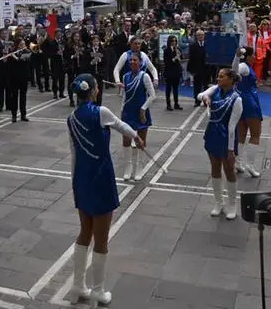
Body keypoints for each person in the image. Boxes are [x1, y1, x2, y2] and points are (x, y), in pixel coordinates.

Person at [66, 73, 144, 305]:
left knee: (84, 232)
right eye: (97, 87)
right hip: (101, 178)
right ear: (93, 90)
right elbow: (122, 127)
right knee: (101, 238)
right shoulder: (101, 112)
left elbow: (73, 154)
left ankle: (77, 287)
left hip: (81, 178)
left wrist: (75, 185)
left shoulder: (71, 118)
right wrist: (137, 137)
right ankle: (98, 291)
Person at [197, 68, 243, 219]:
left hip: (226, 136)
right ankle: (218, 202)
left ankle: (232, 204)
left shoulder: (237, 99)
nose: (218, 79)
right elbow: (200, 95)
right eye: (218, 76)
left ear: (231, 79)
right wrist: (205, 98)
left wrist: (230, 150)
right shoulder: (216, 89)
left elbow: (232, 126)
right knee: (215, 166)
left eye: (222, 77)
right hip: (212, 132)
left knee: (229, 169)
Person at [119, 54, 155, 182]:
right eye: (131, 60)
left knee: (141, 140)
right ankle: (128, 167)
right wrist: (122, 109)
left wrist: (143, 109)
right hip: (128, 112)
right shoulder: (125, 76)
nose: (132, 62)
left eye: (135, 60)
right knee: (126, 140)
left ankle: (139, 168)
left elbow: (152, 96)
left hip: (141, 112)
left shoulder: (145, 76)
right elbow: (124, 96)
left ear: (140, 62)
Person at [232, 47, 262, 178]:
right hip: (249, 102)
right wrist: (237, 56)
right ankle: (250, 164)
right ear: (248, 56)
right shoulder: (244, 66)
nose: (255, 57)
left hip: (241, 100)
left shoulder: (247, 66)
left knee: (241, 134)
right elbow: (233, 71)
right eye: (253, 55)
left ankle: (238, 162)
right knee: (255, 134)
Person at [163, 35, 183, 111]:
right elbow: (166, 62)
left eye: (175, 41)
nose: (174, 42)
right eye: (172, 41)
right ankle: (168, 104)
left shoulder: (178, 49)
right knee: (168, 88)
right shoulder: (166, 50)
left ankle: (176, 103)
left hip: (176, 71)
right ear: (169, 42)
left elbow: (181, 59)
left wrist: (180, 56)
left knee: (175, 88)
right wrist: (174, 59)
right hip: (169, 71)